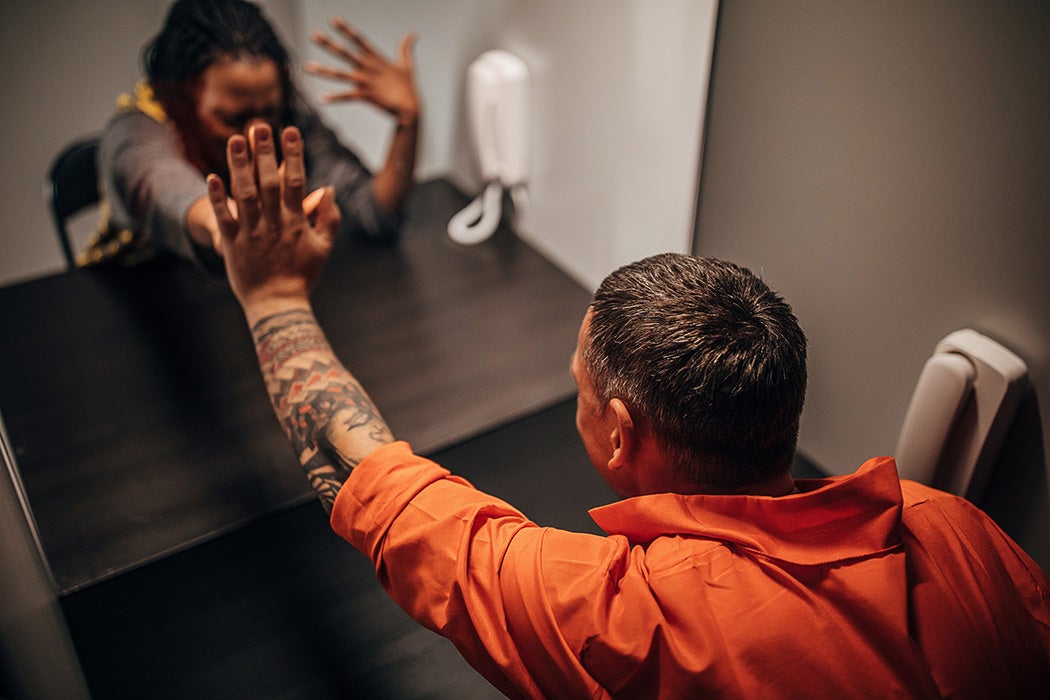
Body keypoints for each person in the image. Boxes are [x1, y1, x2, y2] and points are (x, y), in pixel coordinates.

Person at [208, 123, 1050, 698]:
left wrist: (273, 297)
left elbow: (362, 467)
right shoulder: (956, 529)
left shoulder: (628, 620)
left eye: (575, 380)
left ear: (619, 429)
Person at [86, 0, 418, 271]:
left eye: (269, 112)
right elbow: (169, 190)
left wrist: (407, 121)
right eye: (234, 118)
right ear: (179, 99)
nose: (259, 132)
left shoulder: (287, 117)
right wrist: (226, 229)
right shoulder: (135, 134)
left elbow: (375, 214)